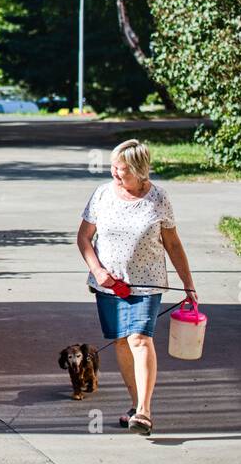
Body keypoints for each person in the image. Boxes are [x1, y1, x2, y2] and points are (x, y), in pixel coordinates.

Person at [75, 139, 197, 434]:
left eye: (123, 170)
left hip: (147, 283)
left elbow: (172, 243)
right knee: (121, 341)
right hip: (109, 285)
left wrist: (188, 284)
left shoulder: (158, 199)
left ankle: (144, 411)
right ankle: (134, 405)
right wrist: (98, 271)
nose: (115, 174)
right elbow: (83, 238)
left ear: (141, 172)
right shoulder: (102, 194)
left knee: (139, 339)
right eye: (114, 168)